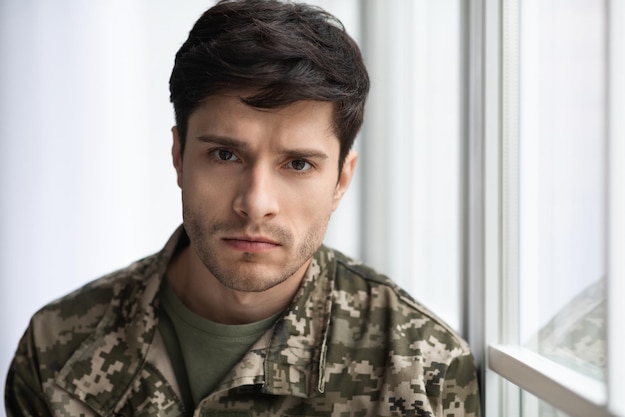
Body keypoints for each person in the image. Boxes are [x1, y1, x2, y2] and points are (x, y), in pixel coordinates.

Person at [4, 0, 480, 416]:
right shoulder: (57, 350)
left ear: (341, 180)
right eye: (225, 155)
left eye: (297, 164)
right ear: (178, 157)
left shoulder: (423, 368)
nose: (256, 203)